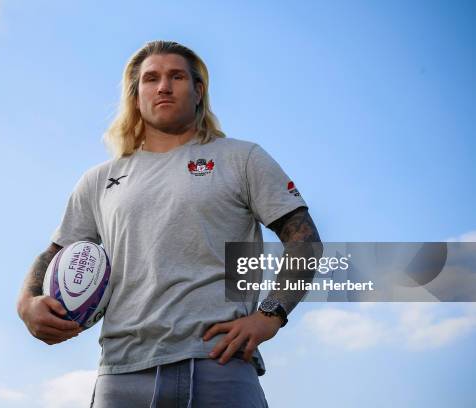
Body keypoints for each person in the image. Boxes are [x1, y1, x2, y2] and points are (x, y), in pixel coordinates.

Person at [17, 40, 321, 408]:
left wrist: (270, 315)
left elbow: (304, 240)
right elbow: (56, 253)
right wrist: (27, 303)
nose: (163, 86)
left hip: (219, 363)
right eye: (151, 79)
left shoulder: (241, 158)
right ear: (136, 93)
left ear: (199, 91)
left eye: (176, 76)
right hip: (122, 371)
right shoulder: (99, 180)